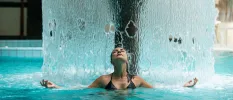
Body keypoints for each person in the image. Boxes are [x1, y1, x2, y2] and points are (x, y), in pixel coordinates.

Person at [40, 47, 198, 90]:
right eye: (115, 51)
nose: (119, 51)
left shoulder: (136, 80)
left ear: (128, 60)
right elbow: (80, 90)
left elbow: (159, 90)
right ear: (111, 60)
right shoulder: (104, 80)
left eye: (122, 50)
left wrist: (183, 87)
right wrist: (56, 87)